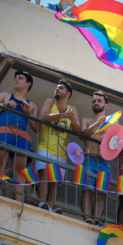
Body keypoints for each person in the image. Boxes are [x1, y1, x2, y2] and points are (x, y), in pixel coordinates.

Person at [0, 71, 40, 202]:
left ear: (28, 83)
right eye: (15, 78)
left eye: (20, 78)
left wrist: (28, 114)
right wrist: (4, 105)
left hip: (23, 136)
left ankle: (18, 201)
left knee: (19, 169)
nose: (16, 80)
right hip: (4, 131)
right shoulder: (5, 95)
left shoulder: (32, 106)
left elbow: (37, 128)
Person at [36, 79, 80, 211]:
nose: (57, 89)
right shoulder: (50, 102)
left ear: (68, 94)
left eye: (60, 88)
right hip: (45, 147)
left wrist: (73, 121)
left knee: (55, 181)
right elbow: (42, 116)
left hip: (61, 152)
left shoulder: (72, 109)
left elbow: (78, 131)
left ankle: (50, 207)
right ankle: (41, 203)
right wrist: (62, 115)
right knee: (44, 174)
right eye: (57, 87)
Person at [80, 91, 117, 225]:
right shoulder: (86, 120)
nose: (96, 103)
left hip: (105, 161)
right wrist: (96, 125)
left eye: (99, 101)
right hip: (88, 158)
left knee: (102, 193)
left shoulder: (114, 121)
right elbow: (82, 135)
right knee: (87, 189)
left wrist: (107, 140)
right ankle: (87, 219)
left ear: (106, 105)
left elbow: (117, 143)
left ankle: (96, 220)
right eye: (94, 101)